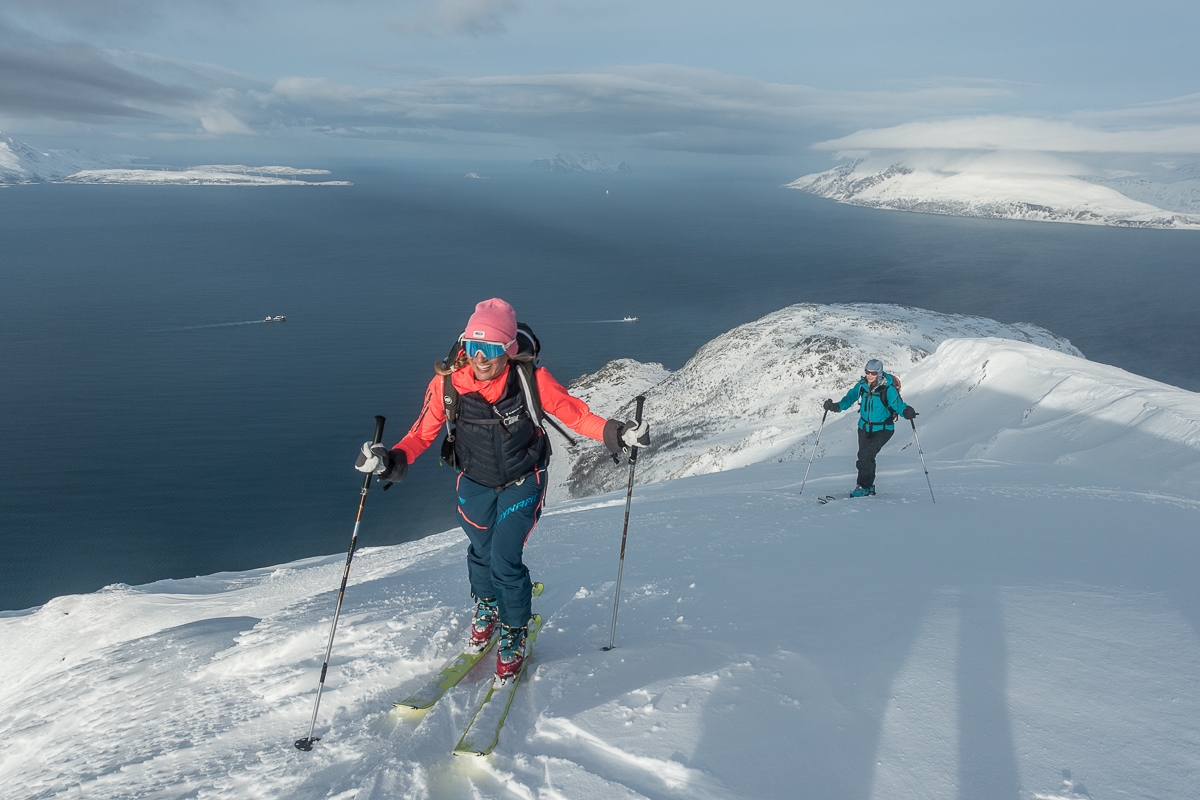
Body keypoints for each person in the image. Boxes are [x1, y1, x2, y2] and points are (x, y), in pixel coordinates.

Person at [354, 298, 648, 679]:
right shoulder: (447, 386)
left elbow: (576, 415)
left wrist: (618, 433)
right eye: (473, 346)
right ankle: (487, 605)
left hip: (523, 481)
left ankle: (513, 630)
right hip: (473, 482)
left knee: (504, 559)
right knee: (480, 551)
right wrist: (388, 459)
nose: (481, 357)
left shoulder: (530, 381)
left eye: (492, 348)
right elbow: (421, 434)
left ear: (509, 349)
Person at [823, 359, 917, 497]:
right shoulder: (862, 386)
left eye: (873, 373)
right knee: (865, 457)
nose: (869, 375)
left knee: (865, 456)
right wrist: (835, 407)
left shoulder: (888, 389)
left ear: (879, 372)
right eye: (867, 372)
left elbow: (898, 405)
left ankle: (863, 487)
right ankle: (868, 487)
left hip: (884, 429)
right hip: (864, 427)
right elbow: (849, 399)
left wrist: (906, 411)